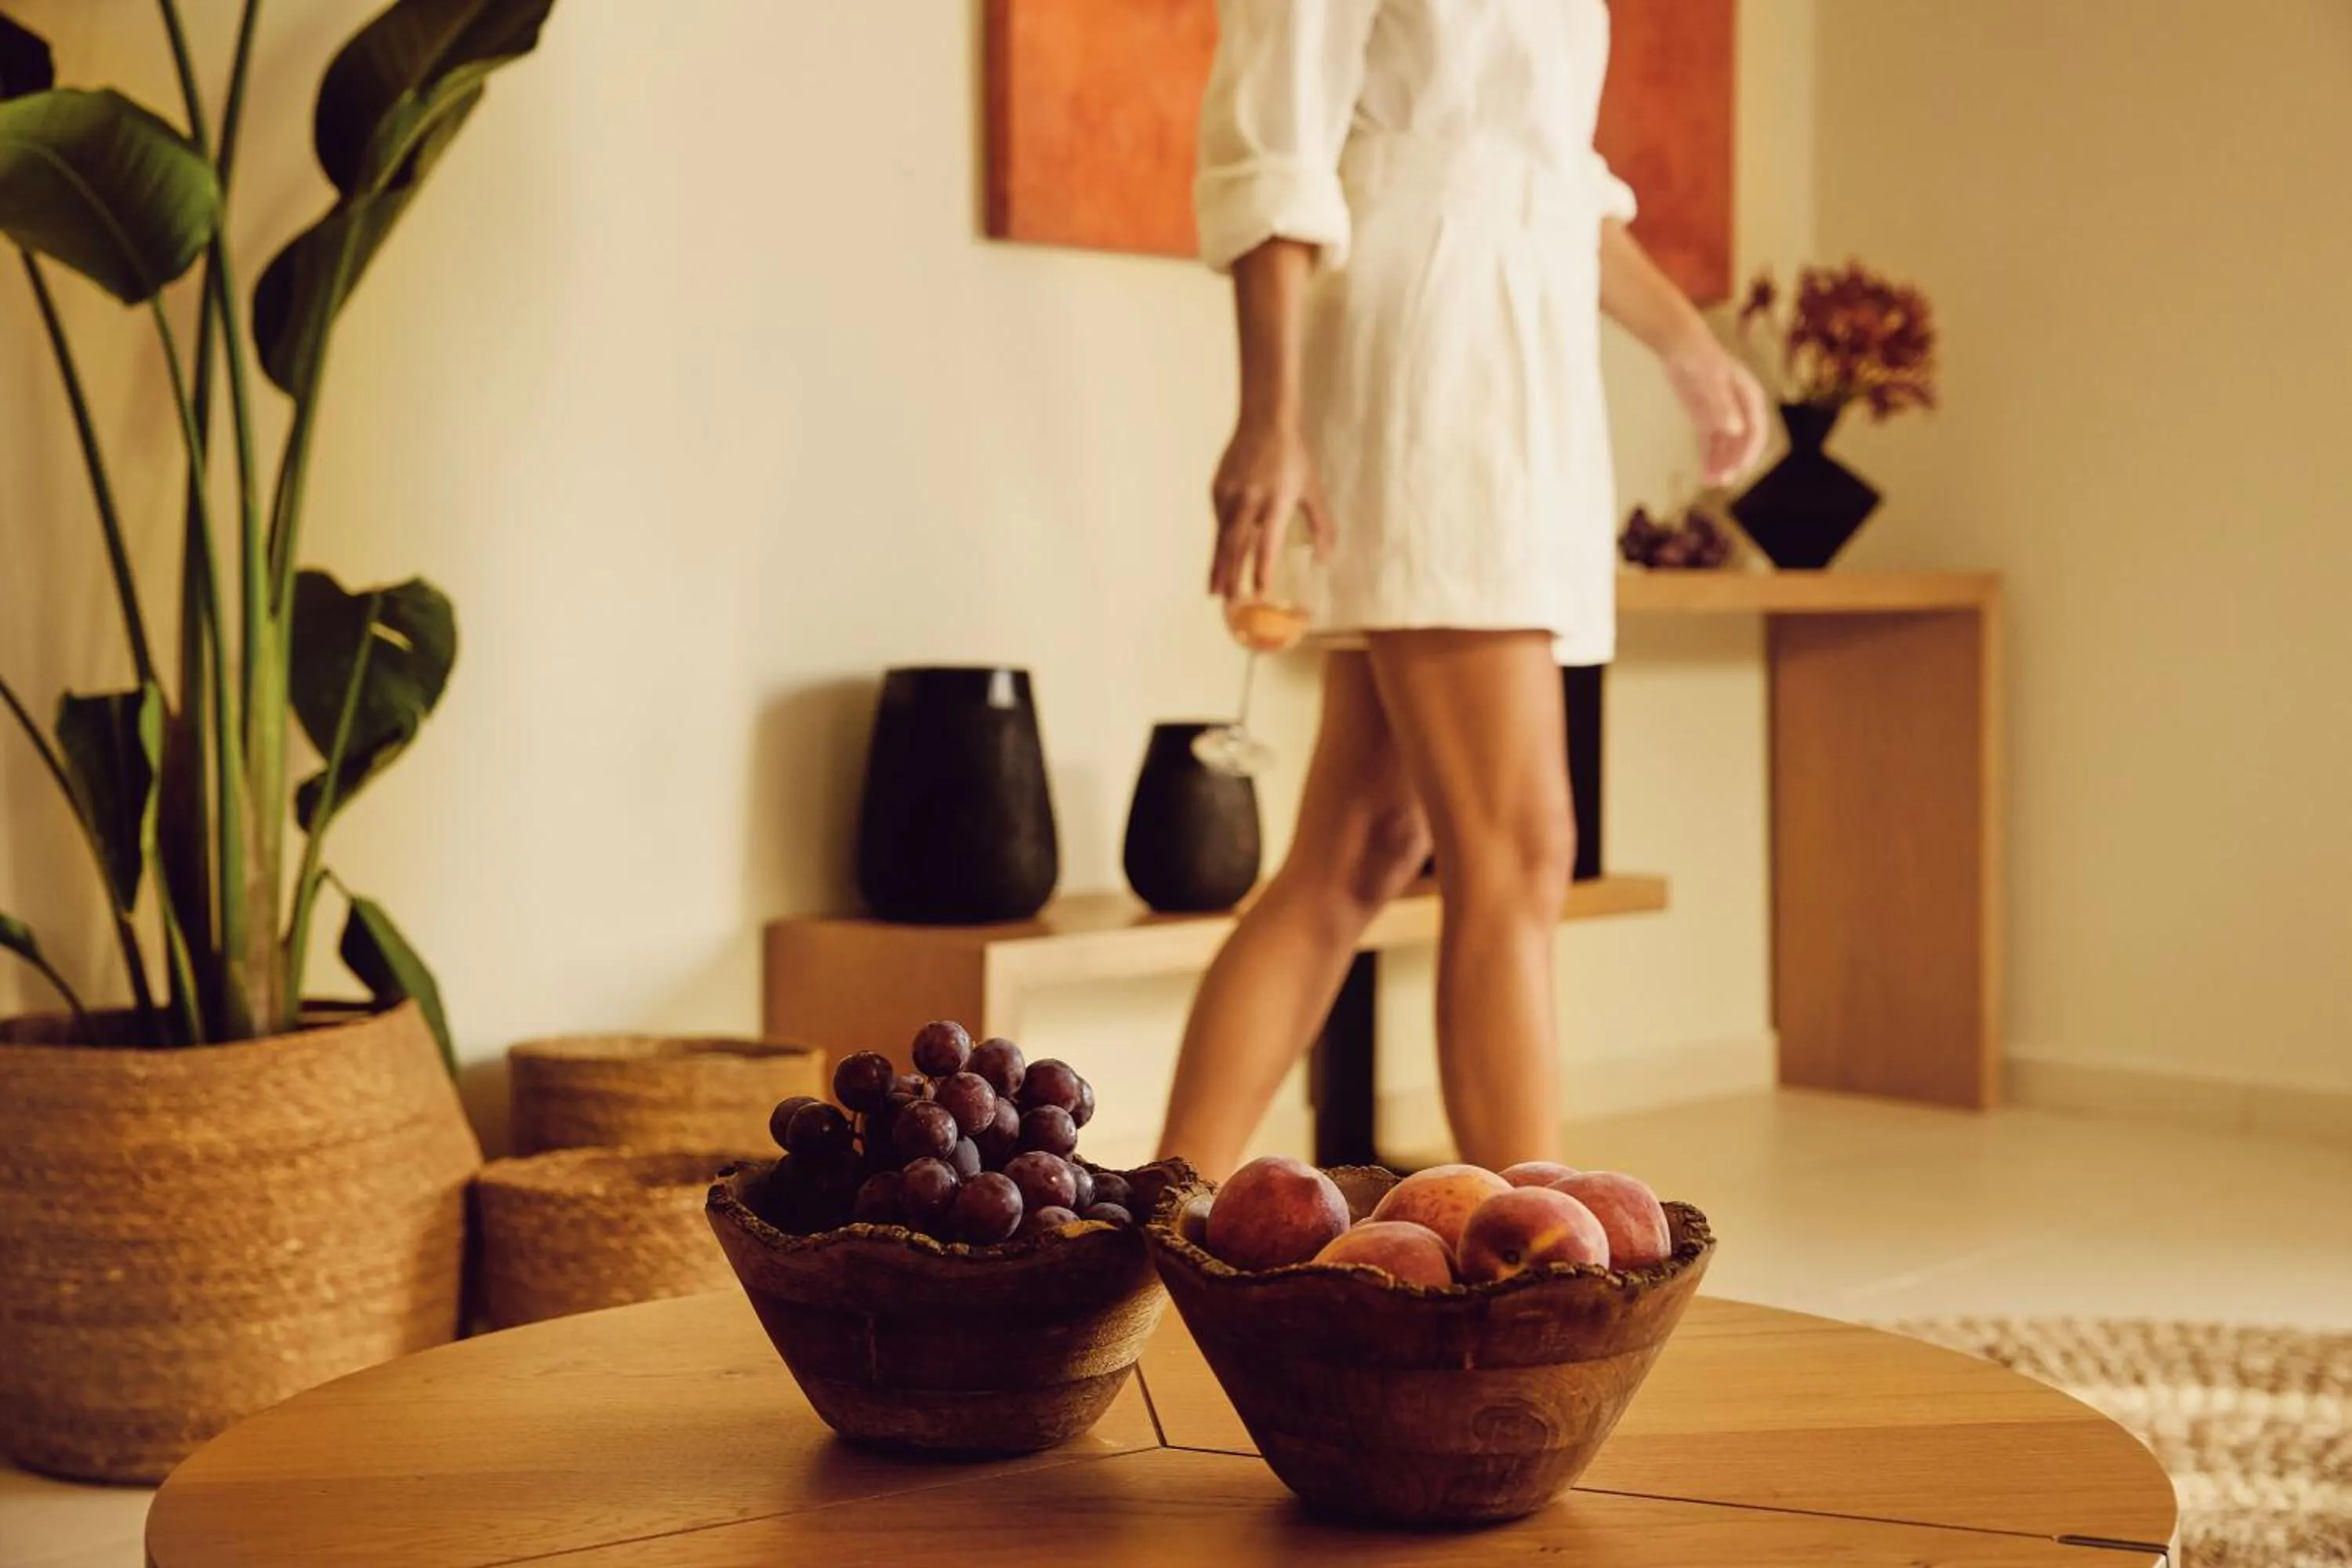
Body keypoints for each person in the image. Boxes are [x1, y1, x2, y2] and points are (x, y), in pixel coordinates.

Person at [1156, 0, 1769, 1181]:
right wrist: (1272, 415)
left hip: (1528, 368)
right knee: (1524, 845)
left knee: (1360, 848)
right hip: (1426, 358)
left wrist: (1686, 342)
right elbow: (1271, 153)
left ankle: (1143, 1231)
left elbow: (1556, 181)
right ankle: (1542, 1266)